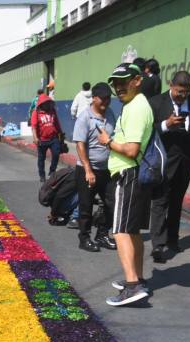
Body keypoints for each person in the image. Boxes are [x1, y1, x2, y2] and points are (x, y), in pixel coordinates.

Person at [96, 62, 154, 307]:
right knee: (131, 231)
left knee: (119, 231)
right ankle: (137, 278)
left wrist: (108, 142)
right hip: (133, 175)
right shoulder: (134, 105)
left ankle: (132, 286)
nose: (119, 87)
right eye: (116, 83)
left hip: (127, 174)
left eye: (124, 81)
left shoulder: (137, 107)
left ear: (137, 80)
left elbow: (131, 149)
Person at [148, 70, 190, 262]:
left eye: (186, 92)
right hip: (164, 162)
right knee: (160, 202)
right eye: (179, 91)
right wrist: (166, 124)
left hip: (186, 161)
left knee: (176, 202)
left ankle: (172, 239)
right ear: (170, 85)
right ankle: (158, 245)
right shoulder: (156, 103)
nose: (183, 96)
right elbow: (147, 131)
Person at [72, 82, 117, 253]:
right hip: (87, 170)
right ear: (94, 98)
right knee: (86, 206)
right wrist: (88, 170)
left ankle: (102, 235)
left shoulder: (110, 114)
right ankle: (84, 238)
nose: (107, 102)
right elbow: (80, 145)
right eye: (103, 99)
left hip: (107, 170)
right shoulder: (85, 118)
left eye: (109, 98)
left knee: (110, 203)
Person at [31, 93, 64, 182]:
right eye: (45, 103)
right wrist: (35, 138)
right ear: (41, 104)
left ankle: (52, 170)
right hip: (42, 140)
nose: (47, 104)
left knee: (56, 153)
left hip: (53, 138)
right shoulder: (36, 113)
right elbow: (33, 126)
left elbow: (56, 123)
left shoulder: (52, 111)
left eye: (48, 102)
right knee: (41, 158)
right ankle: (42, 175)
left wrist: (61, 134)